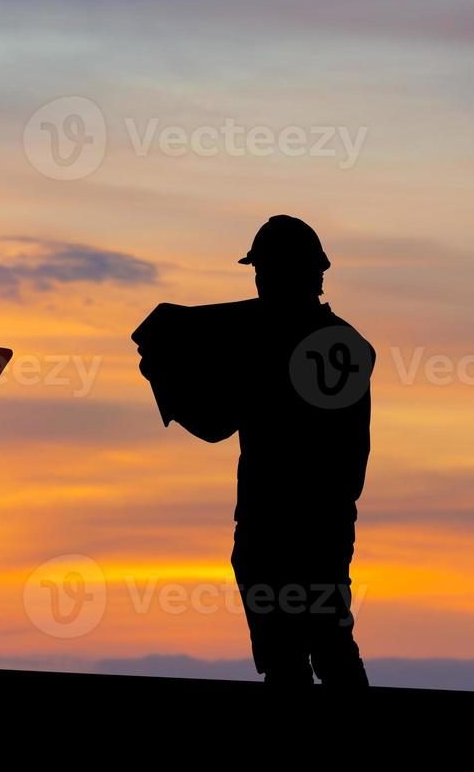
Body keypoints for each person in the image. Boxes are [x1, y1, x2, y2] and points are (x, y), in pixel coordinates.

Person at [132, 215, 374, 686]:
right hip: (327, 524)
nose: (260, 283)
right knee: (330, 644)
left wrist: (165, 378)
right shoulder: (341, 344)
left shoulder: (282, 346)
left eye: (265, 272)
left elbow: (214, 424)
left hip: (276, 524)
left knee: (293, 656)